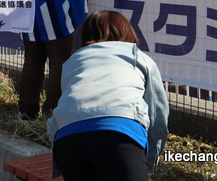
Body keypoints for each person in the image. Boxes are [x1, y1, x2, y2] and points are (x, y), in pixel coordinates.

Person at [48, 10, 169, 181]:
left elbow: (68, 103)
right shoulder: (140, 58)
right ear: (127, 31)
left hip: (68, 138)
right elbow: (158, 117)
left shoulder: (72, 62)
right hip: (120, 134)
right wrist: (149, 165)